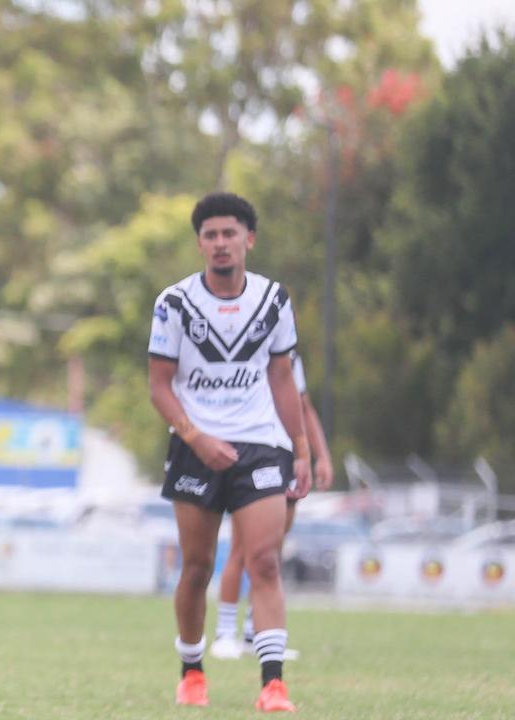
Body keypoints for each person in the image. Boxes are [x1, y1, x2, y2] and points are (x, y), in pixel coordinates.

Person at [147, 192, 311, 712]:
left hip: (261, 446)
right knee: (197, 567)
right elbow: (158, 386)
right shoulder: (174, 303)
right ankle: (192, 670)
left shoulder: (275, 300)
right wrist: (196, 436)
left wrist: (301, 449)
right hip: (196, 447)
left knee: (264, 560)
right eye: (211, 235)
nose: (221, 243)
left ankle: (273, 684)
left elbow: (284, 379)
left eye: (230, 233)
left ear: (249, 239)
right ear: (200, 243)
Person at [211, 351, 334, 661]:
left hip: (285, 454)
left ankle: (257, 632)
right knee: (242, 548)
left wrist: (321, 455)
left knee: (271, 550)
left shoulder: (290, 355)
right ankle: (225, 633)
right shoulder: (241, 346)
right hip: (252, 452)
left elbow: (303, 407)